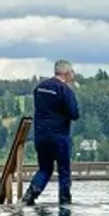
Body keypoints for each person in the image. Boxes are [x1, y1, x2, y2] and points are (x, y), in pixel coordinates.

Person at [22, 59, 80, 206]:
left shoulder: (39, 88)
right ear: (66, 73)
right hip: (59, 136)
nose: (73, 74)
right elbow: (74, 114)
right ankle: (65, 203)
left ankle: (30, 196)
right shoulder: (65, 90)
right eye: (72, 72)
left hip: (41, 136)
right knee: (64, 171)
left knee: (45, 169)